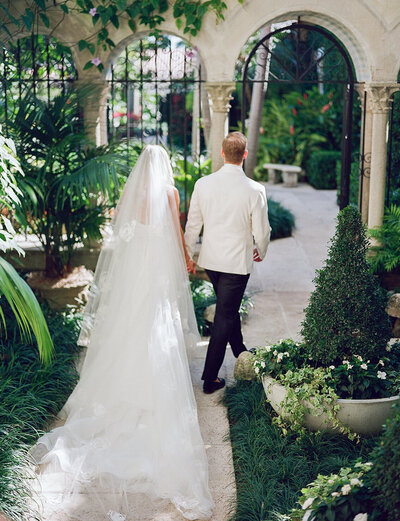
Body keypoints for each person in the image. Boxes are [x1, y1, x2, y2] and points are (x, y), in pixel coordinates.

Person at [31, 145, 214, 521]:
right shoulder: (169, 193)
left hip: (137, 268)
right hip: (157, 267)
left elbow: (120, 226)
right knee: (156, 326)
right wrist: (184, 259)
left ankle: (123, 387)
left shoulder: (132, 193)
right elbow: (176, 230)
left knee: (130, 323)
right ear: (163, 166)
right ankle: (151, 389)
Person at [185, 132, 271, 394]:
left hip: (211, 261)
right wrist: (261, 250)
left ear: (222, 153)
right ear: (244, 155)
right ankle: (210, 379)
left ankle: (240, 350)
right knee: (224, 315)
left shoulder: (203, 184)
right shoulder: (255, 190)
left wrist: (189, 254)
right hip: (236, 263)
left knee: (226, 306)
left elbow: (193, 224)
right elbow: (263, 231)